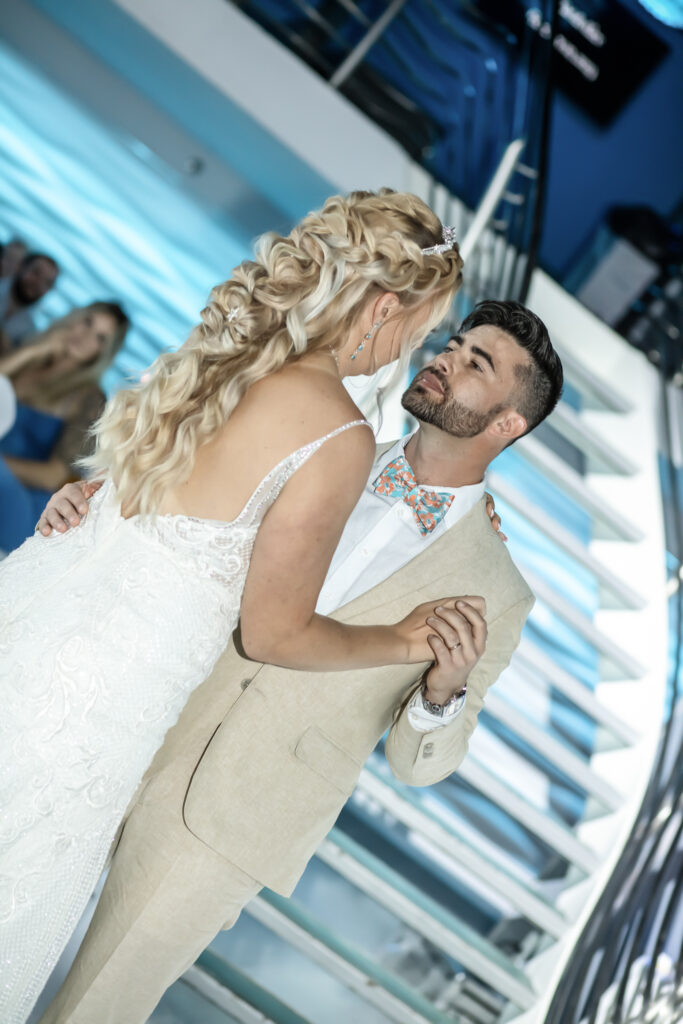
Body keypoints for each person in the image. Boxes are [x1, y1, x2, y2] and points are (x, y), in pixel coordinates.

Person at [0, 189, 466, 1024]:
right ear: (383, 309)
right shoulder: (337, 435)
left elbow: (133, 498)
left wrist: (87, 500)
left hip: (31, 620)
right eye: (422, 328)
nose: (415, 347)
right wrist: (397, 640)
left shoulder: (224, 361)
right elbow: (274, 629)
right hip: (101, 702)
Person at [34, 300, 563, 1023]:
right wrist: (90, 511)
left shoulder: (497, 591)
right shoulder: (318, 446)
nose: (445, 357)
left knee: (96, 1008)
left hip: (242, 815)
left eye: (477, 364)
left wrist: (442, 689)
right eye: (455, 343)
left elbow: (423, 765)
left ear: (507, 425)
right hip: (136, 715)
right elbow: (186, 520)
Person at [0, 302, 129, 554]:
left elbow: (56, 475)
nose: (85, 336)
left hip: (21, 497)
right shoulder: (28, 357)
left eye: (100, 338)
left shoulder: (90, 400)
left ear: (103, 351)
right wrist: (32, 352)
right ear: (75, 317)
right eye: (88, 322)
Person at [0, 251, 60, 352]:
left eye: (47, 283)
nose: (38, 283)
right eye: (36, 273)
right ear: (20, 267)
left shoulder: (29, 332)